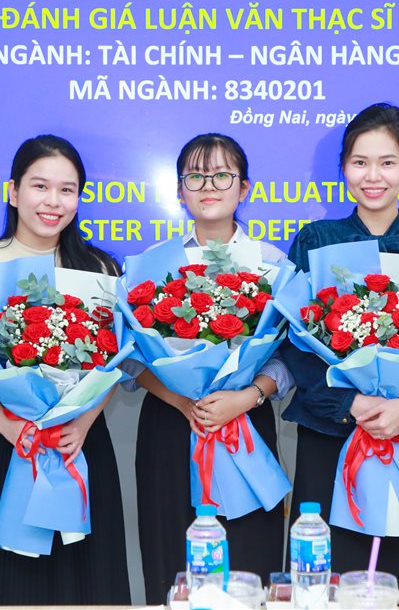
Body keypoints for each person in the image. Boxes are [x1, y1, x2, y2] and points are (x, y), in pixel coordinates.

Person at [279, 102, 399, 606]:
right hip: (332, 434)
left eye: (387, 162)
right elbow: (295, 343)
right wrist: (351, 404)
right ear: (343, 168)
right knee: (328, 580)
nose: (373, 176)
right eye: (360, 162)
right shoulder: (316, 240)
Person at [0, 135, 131, 605]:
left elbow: (114, 363)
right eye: (40, 186)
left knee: (83, 586)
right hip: (2, 441)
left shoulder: (101, 268)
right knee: (0, 586)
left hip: (78, 443)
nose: (53, 201)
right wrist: (8, 425)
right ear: (14, 191)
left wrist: (82, 423)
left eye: (67, 190)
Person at [134, 133, 291, 604]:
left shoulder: (273, 265)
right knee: (172, 569)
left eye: (222, 175)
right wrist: (183, 401)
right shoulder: (151, 267)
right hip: (171, 425)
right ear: (179, 190)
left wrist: (246, 397)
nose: (208, 186)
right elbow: (131, 359)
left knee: (249, 571)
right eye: (196, 176)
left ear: (244, 188)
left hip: (246, 424)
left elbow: (290, 356)